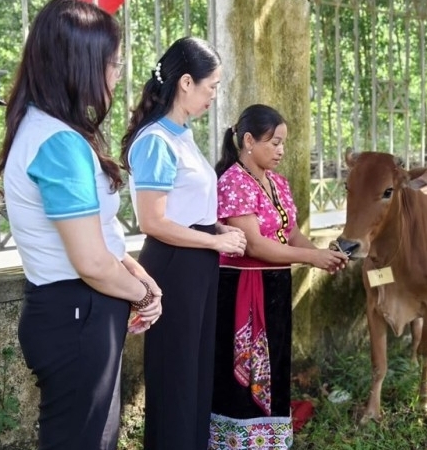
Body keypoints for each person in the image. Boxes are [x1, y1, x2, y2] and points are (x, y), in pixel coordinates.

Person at [0, 1, 163, 449]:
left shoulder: (45, 129)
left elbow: (100, 239)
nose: (117, 74)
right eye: (113, 63)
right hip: (77, 314)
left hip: (76, 312)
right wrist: (143, 296)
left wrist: (140, 276)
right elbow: (90, 261)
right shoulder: (58, 142)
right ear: (81, 64)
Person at [119, 37, 247, 450]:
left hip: (197, 261)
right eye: (212, 86)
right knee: (175, 377)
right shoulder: (155, 140)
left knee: (195, 374)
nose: (215, 95)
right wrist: (214, 240)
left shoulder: (181, 134)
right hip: (175, 263)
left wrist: (219, 235)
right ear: (186, 82)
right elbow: (153, 222)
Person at [208, 104, 348, 449]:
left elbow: (290, 235)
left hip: (275, 287)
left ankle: (268, 439)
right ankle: (237, 441)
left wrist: (322, 253)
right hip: (242, 288)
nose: (282, 151)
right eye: (274, 143)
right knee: (244, 371)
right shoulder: (233, 182)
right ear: (249, 141)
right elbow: (255, 245)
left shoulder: (277, 183)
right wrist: (312, 257)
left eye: (284, 143)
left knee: (274, 363)